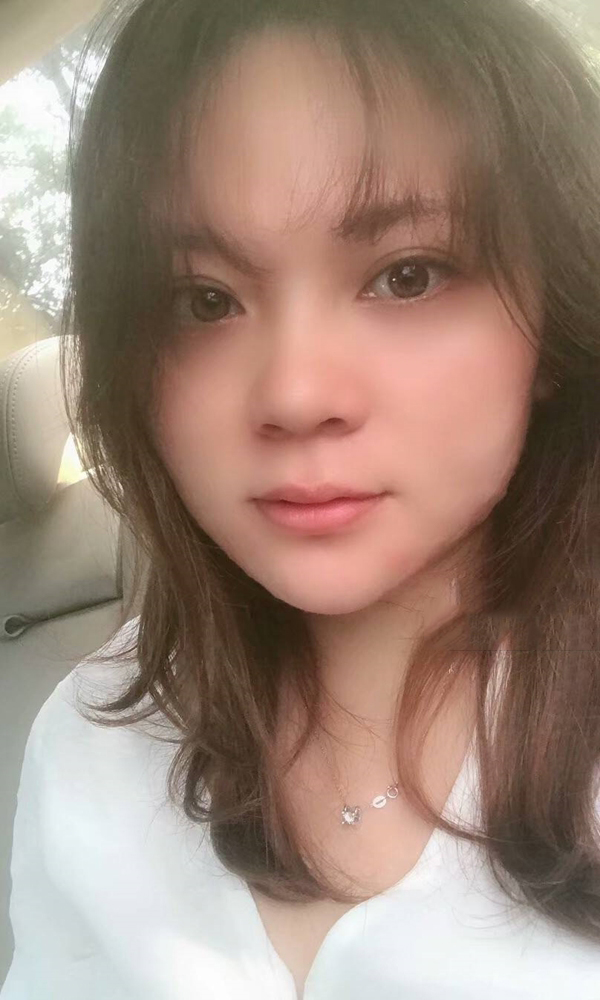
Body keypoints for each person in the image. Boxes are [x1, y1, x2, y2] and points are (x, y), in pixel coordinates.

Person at [3, 0, 600, 995]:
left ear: (557, 315)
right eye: (205, 301)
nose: (292, 394)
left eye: (408, 276)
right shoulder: (92, 740)